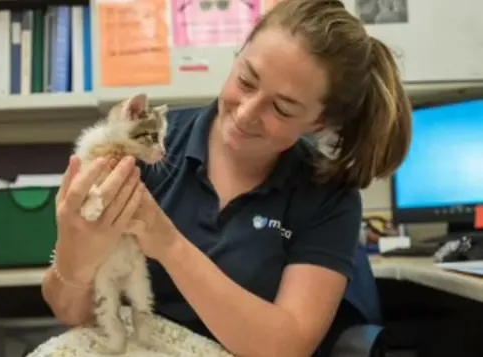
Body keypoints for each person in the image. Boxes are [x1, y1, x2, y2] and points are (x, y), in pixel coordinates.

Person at [42, 0, 412, 356]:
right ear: (239, 54)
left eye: (282, 108)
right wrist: (76, 256)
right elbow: (70, 312)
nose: (247, 113)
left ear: (318, 123)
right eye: (247, 81)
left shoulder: (328, 197)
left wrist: (169, 244)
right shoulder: (146, 148)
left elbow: (286, 346)